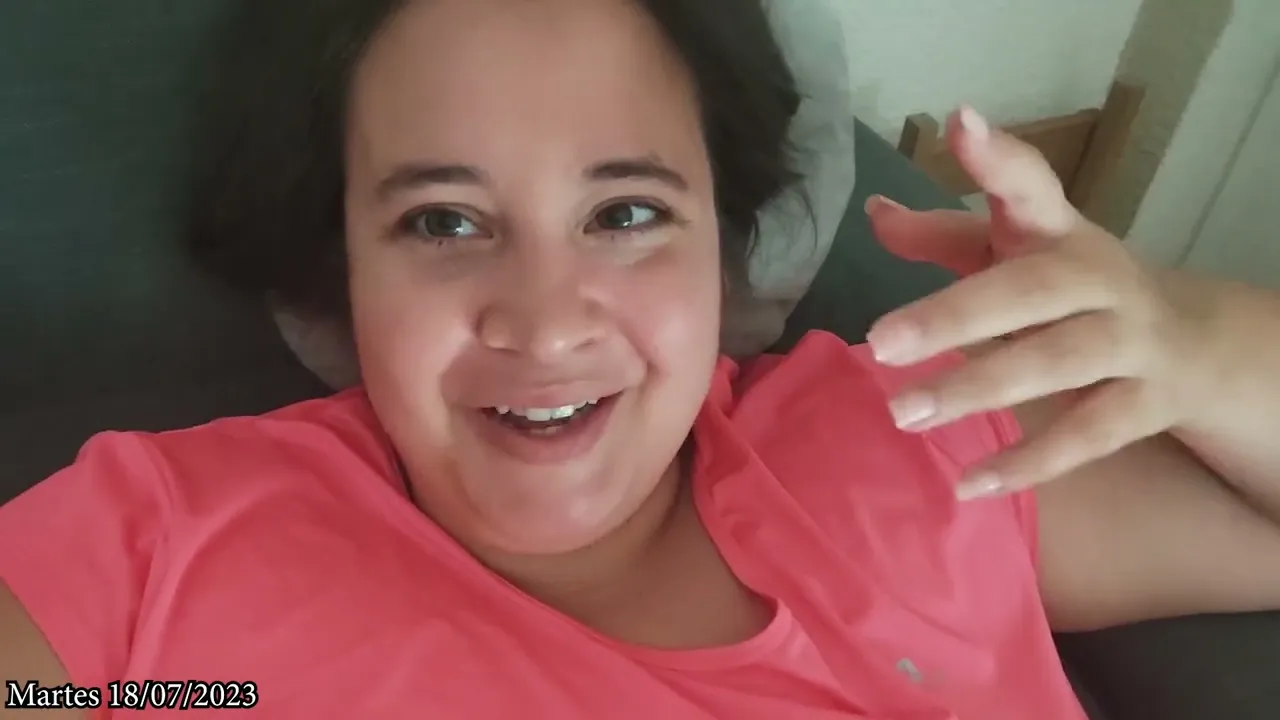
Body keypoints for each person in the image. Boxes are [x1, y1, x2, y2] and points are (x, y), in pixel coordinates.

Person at [2, 0, 1279, 717]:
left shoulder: (904, 447)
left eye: (623, 214)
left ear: (724, 241)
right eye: (442, 223)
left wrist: (1189, 338)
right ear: (341, 260)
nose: (545, 322)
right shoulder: (161, 568)